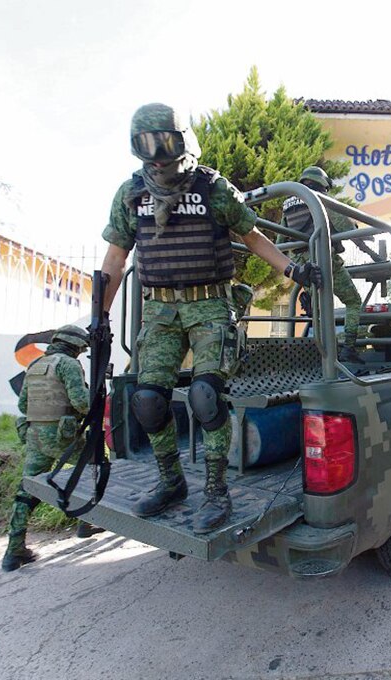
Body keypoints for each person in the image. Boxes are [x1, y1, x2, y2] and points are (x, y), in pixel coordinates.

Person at [99, 103, 322, 533]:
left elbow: (252, 236)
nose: (157, 156)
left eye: (164, 143)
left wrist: (293, 270)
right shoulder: (131, 195)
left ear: (182, 141)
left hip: (210, 304)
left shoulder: (213, 188)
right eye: (146, 146)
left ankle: (217, 493)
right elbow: (114, 259)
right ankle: (171, 482)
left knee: (206, 396)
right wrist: (99, 318)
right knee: (147, 401)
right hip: (159, 309)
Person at [2, 325, 102, 572]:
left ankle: (14, 550)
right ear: (75, 346)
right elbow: (81, 402)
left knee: (27, 488)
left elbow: (23, 405)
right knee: (93, 469)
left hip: (35, 435)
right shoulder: (68, 364)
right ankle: (86, 522)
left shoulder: (36, 365)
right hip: (62, 435)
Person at [280, 166, 363, 363]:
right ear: (323, 183)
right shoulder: (320, 198)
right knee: (353, 302)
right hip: (325, 260)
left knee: (318, 308)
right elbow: (346, 226)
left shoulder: (289, 204)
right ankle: (348, 349)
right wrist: (365, 245)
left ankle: (323, 352)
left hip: (303, 266)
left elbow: (280, 241)